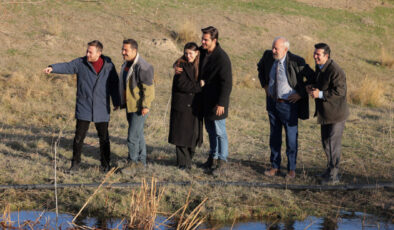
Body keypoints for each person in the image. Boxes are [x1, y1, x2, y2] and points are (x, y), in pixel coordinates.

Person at [43, 40, 120, 172]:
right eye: (87, 51)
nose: (87, 54)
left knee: (104, 138)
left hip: (101, 107)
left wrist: (117, 101)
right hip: (84, 106)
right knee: (78, 137)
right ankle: (75, 165)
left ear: (99, 53)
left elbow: (114, 84)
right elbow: (67, 66)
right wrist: (53, 67)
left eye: (90, 52)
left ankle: (105, 165)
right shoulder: (81, 63)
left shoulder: (109, 66)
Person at [257, 37, 311, 179]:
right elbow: (260, 68)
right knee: (274, 137)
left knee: (291, 138)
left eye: (276, 48)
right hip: (273, 103)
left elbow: (312, 78)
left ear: (285, 49)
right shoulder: (268, 56)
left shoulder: (297, 61)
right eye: (273, 47)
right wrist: (265, 85)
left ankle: (291, 169)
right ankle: (275, 166)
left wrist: (301, 94)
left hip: (289, 105)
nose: (273, 51)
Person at [306, 43, 349, 184]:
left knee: (332, 144)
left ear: (327, 56)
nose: (315, 56)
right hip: (325, 113)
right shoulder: (319, 67)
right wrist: (311, 87)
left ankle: (334, 176)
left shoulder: (336, 70)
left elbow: (340, 92)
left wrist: (320, 94)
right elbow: (320, 84)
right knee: (326, 143)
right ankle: (329, 170)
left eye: (318, 54)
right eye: (315, 53)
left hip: (336, 115)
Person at [199, 26, 233, 171]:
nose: (203, 42)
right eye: (202, 39)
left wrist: (222, 103)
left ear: (214, 40)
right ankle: (212, 157)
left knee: (220, 132)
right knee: (211, 130)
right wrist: (178, 65)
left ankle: (222, 160)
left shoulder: (222, 58)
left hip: (217, 102)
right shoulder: (201, 51)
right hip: (205, 100)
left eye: (206, 40)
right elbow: (187, 56)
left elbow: (227, 83)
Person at [118, 39, 154, 167]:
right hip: (130, 105)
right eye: (122, 49)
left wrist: (145, 106)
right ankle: (141, 161)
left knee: (132, 137)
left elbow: (149, 89)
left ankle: (133, 163)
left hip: (139, 107)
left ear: (134, 50)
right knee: (138, 134)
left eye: (126, 50)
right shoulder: (127, 64)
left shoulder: (143, 67)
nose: (123, 52)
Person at [168, 42, 204, 170]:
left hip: (195, 106)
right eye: (186, 53)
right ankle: (183, 163)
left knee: (193, 135)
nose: (188, 56)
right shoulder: (181, 65)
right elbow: (181, 85)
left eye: (191, 53)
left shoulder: (201, 63)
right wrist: (199, 86)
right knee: (181, 135)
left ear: (197, 53)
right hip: (182, 105)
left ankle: (188, 161)